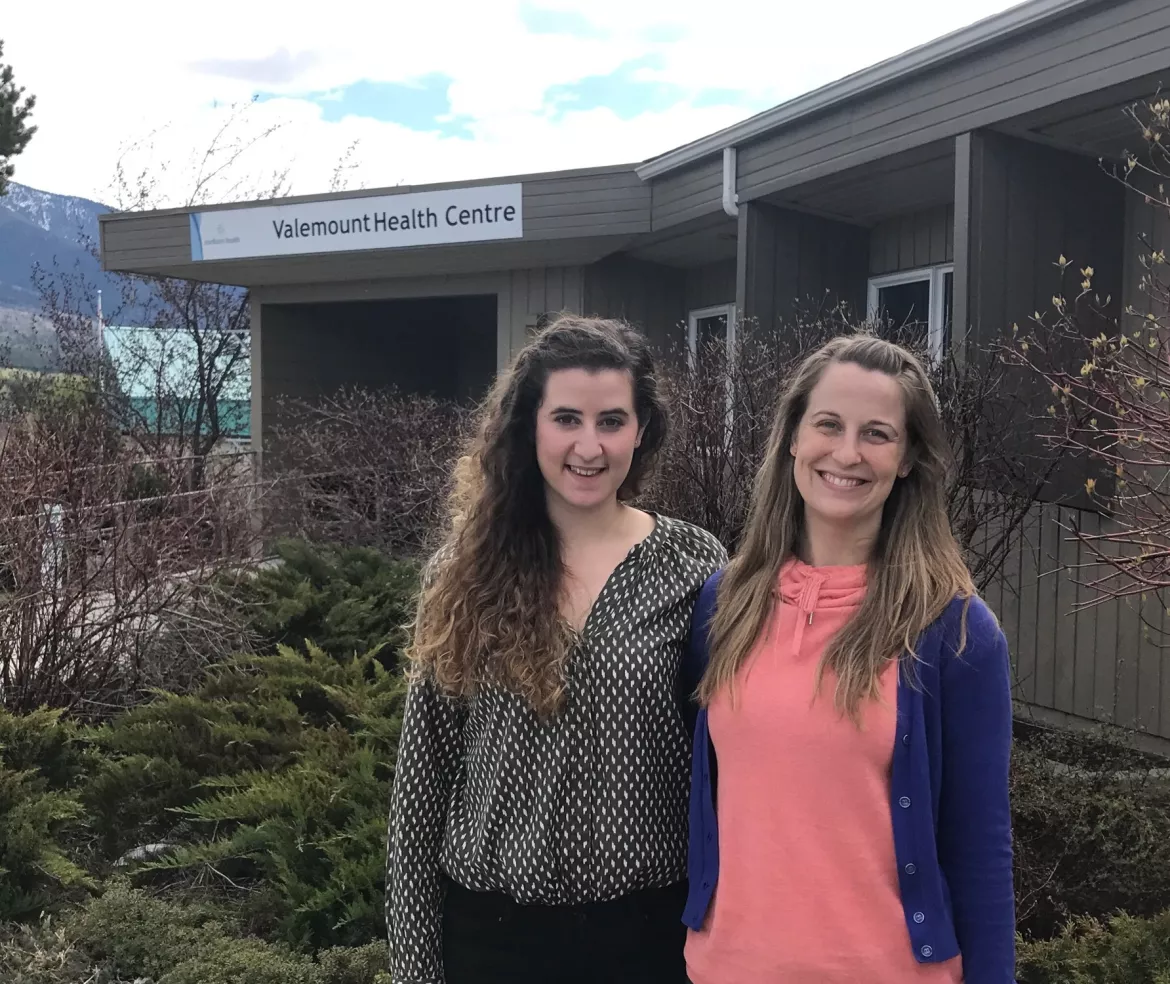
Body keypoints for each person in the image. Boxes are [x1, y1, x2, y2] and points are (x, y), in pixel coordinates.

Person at [385, 314, 727, 984]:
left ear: (642, 429)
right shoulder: (466, 572)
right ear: (529, 425)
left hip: (650, 939)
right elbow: (421, 785)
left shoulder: (695, 565)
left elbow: (729, 767)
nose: (589, 447)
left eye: (611, 421)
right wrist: (414, 967)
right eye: (566, 418)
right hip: (493, 941)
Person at [681, 335, 1015, 984]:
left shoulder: (954, 633)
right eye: (827, 425)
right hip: (724, 969)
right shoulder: (725, 603)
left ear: (910, 457)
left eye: (877, 433)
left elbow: (981, 851)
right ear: (792, 438)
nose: (847, 453)